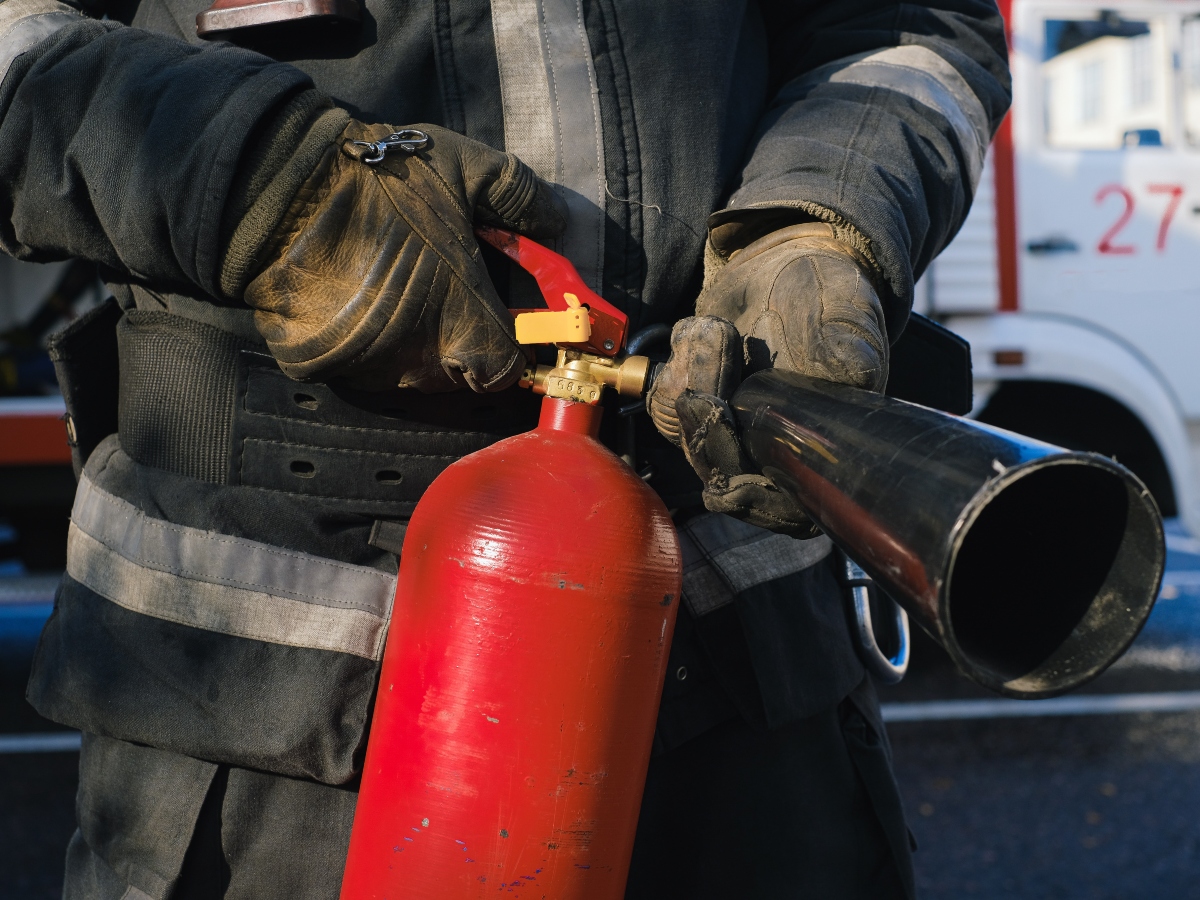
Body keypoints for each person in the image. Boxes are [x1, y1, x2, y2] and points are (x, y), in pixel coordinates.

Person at [0, 0, 1009, 896]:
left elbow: (908, 23)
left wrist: (822, 221)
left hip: (746, 711)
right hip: (265, 741)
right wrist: (257, 183)